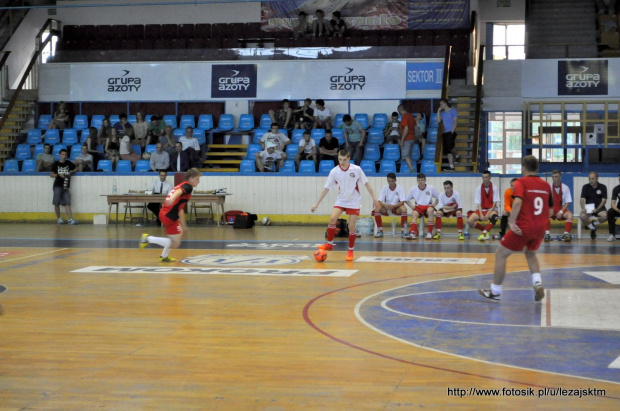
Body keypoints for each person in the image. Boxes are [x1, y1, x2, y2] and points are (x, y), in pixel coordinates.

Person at [479, 155, 552, 302]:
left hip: (524, 226)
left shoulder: (521, 182)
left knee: (500, 254)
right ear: (537, 168)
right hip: (540, 227)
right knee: (531, 253)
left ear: (523, 168)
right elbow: (550, 211)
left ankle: (495, 291)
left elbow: (517, 202)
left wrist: (512, 222)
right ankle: (537, 283)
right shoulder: (545, 185)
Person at [311, 149, 378, 261]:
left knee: (351, 226)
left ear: (349, 159)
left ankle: (350, 250)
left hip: (354, 201)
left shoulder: (356, 169)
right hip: (341, 200)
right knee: (332, 218)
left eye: (344, 160)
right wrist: (317, 203)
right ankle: (330, 244)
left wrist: (374, 198)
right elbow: (326, 188)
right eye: (340, 159)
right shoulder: (334, 171)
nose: (342, 162)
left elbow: (366, 183)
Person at [139, 168, 202, 262]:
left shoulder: (182, 185)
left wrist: (183, 225)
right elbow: (179, 191)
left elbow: (180, 209)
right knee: (175, 243)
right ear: (191, 178)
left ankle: (164, 256)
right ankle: (148, 239)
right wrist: (172, 199)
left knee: (178, 234)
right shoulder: (188, 187)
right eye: (197, 179)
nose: (199, 181)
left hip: (165, 213)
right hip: (169, 216)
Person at [404, 173, 440, 240]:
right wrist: (412, 206)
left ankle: (429, 232)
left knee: (430, 210)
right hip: (419, 207)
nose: (420, 182)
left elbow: (439, 197)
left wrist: (434, 204)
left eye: (422, 180)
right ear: (417, 181)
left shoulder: (431, 188)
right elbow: (406, 199)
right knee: (414, 213)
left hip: (428, 206)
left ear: (425, 180)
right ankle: (413, 232)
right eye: (419, 180)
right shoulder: (413, 189)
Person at [467, 171, 501, 241]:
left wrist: (488, 213)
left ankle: (484, 233)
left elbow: (495, 203)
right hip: (481, 209)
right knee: (469, 221)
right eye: (483, 177)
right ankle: (486, 230)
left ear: (490, 178)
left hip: (491, 209)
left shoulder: (494, 188)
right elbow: (478, 203)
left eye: (486, 177)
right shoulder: (478, 188)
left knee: (495, 217)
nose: (484, 179)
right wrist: (481, 215)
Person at [372, 173, 408, 238]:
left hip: (396, 207)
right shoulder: (384, 188)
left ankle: (404, 230)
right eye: (389, 181)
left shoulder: (400, 188)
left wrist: (394, 206)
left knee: (404, 209)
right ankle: (380, 230)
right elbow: (380, 201)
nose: (390, 183)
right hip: (386, 207)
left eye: (392, 181)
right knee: (376, 209)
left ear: (395, 180)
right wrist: (385, 205)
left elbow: (402, 202)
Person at [50, 148, 78, 225]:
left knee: (67, 202)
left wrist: (71, 172)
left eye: (65, 155)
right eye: (62, 154)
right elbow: (51, 174)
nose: (64, 156)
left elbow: (76, 168)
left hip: (66, 185)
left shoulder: (69, 163)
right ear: (59, 155)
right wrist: (59, 175)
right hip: (57, 185)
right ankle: (59, 218)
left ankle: (70, 219)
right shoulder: (56, 164)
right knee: (56, 203)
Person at [545, 170, 574, 242]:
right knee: (545, 214)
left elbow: (567, 202)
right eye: (553, 177)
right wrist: (550, 209)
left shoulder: (565, 187)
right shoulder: (548, 187)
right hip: (552, 208)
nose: (555, 178)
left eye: (556, 177)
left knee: (570, 214)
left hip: (561, 208)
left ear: (560, 177)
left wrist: (561, 211)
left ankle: (566, 234)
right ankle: (547, 234)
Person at [580, 171, 608, 240]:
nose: (591, 180)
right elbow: (582, 199)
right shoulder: (585, 187)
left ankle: (593, 224)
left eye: (593, 179)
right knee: (582, 216)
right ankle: (593, 229)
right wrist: (583, 208)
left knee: (606, 216)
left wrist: (597, 209)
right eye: (590, 179)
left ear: (597, 179)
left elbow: (604, 200)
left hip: (600, 208)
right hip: (588, 208)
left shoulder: (603, 187)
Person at [437, 98, 459, 170]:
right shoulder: (442, 113)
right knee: (448, 149)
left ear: (445, 103)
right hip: (445, 132)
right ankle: (451, 165)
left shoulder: (453, 110)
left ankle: (456, 155)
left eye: (441, 104)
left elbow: (455, 121)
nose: (440, 105)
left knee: (450, 147)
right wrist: (438, 111)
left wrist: (452, 131)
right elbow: (438, 120)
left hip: (451, 131)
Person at [398, 104, 416, 174]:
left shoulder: (404, 117)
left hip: (407, 139)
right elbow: (416, 127)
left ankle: (412, 170)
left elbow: (406, 128)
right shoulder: (411, 116)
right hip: (412, 138)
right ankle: (411, 170)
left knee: (405, 155)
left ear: (399, 110)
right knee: (409, 155)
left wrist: (402, 140)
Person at [607, 173, 620, 242]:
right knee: (610, 212)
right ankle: (612, 234)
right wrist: (618, 210)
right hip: (619, 208)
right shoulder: (616, 189)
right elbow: (612, 204)